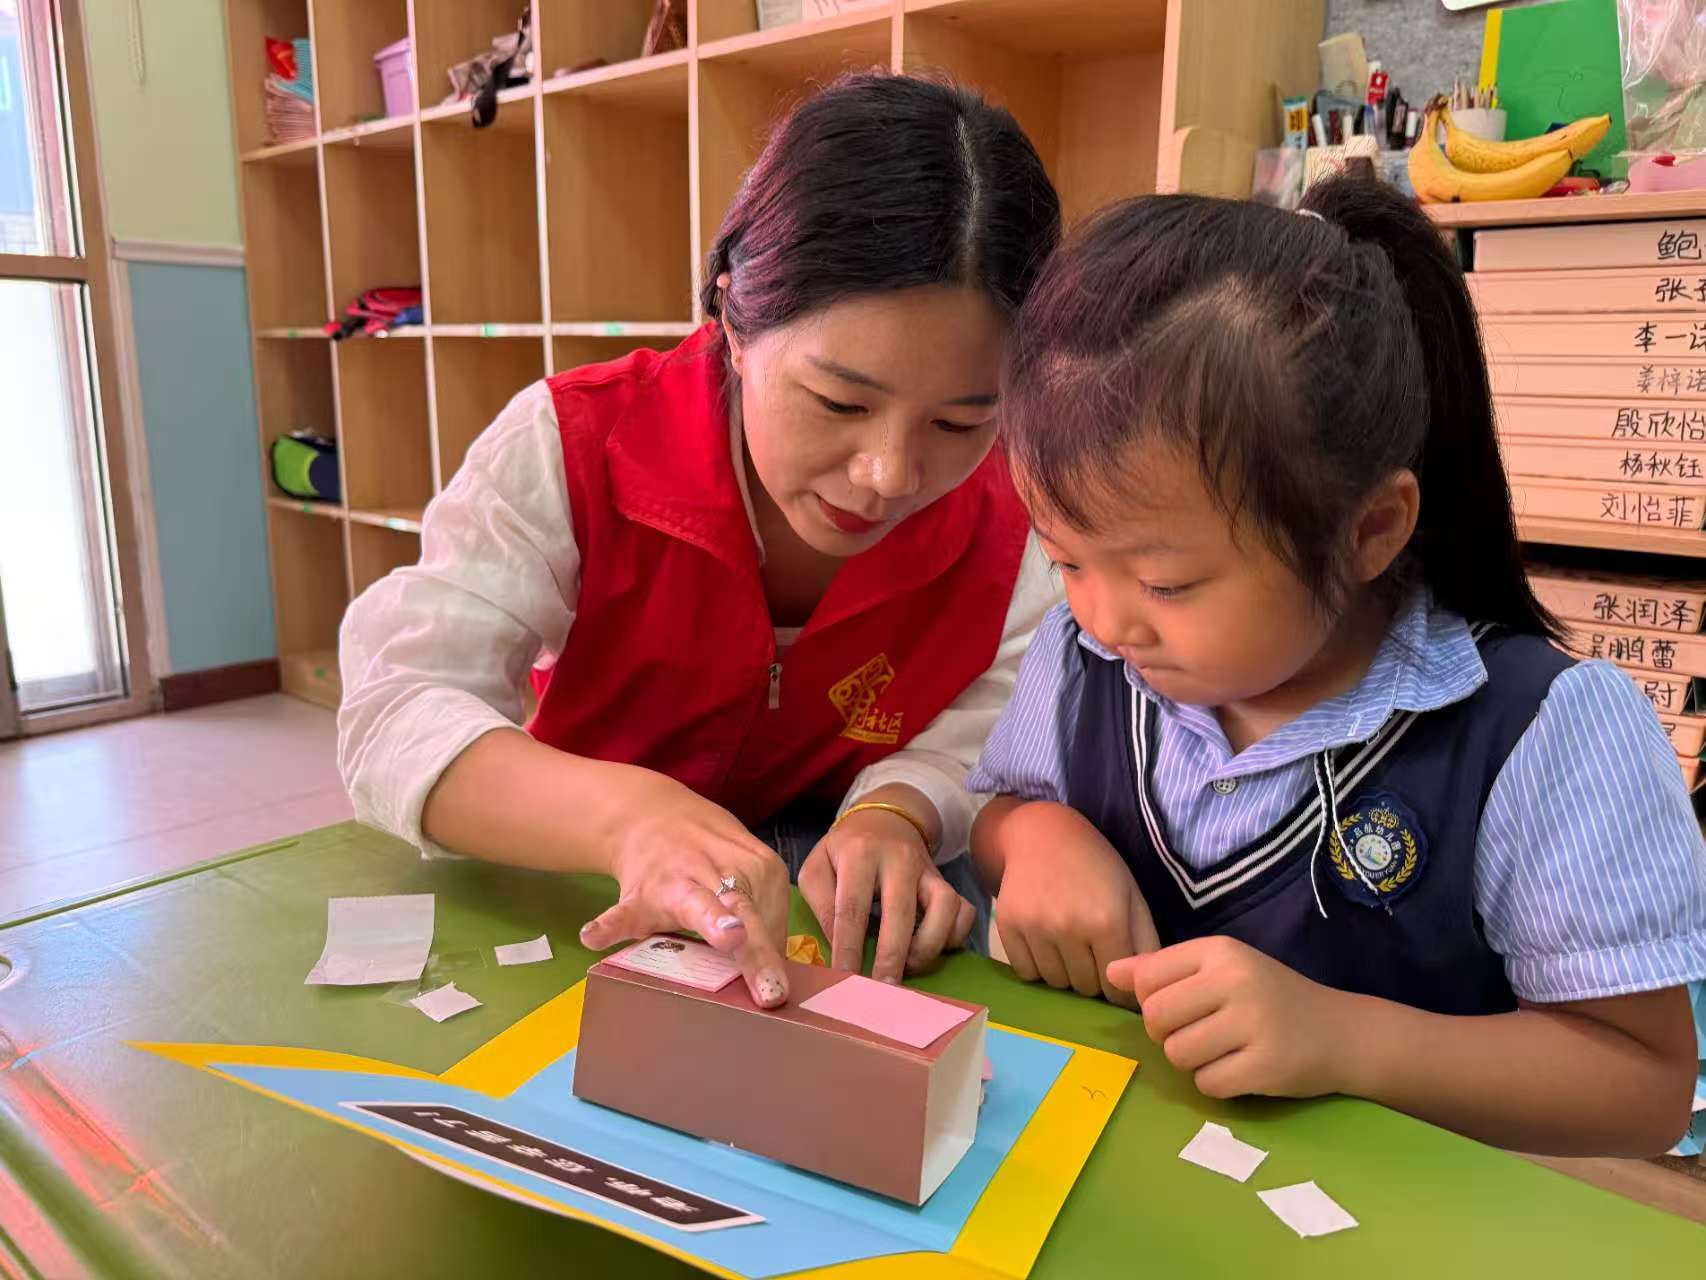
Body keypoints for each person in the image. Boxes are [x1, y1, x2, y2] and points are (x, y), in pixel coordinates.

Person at [967, 176, 1706, 1156]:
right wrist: (1034, 837)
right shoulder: (1081, 660)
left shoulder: (1539, 732)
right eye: (1066, 560)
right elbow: (998, 811)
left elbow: (1644, 1086)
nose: (1103, 619)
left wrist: (1344, 1039)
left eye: (1166, 582)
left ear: (1368, 530)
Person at [338, 73, 1062, 1010]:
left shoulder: (1018, 515)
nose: (889, 474)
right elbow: (395, 709)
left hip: (814, 910)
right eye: (840, 402)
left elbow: (996, 713)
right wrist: (625, 819)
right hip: (574, 897)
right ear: (733, 318)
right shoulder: (575, 443)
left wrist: (902, 806)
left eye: (960, 423)